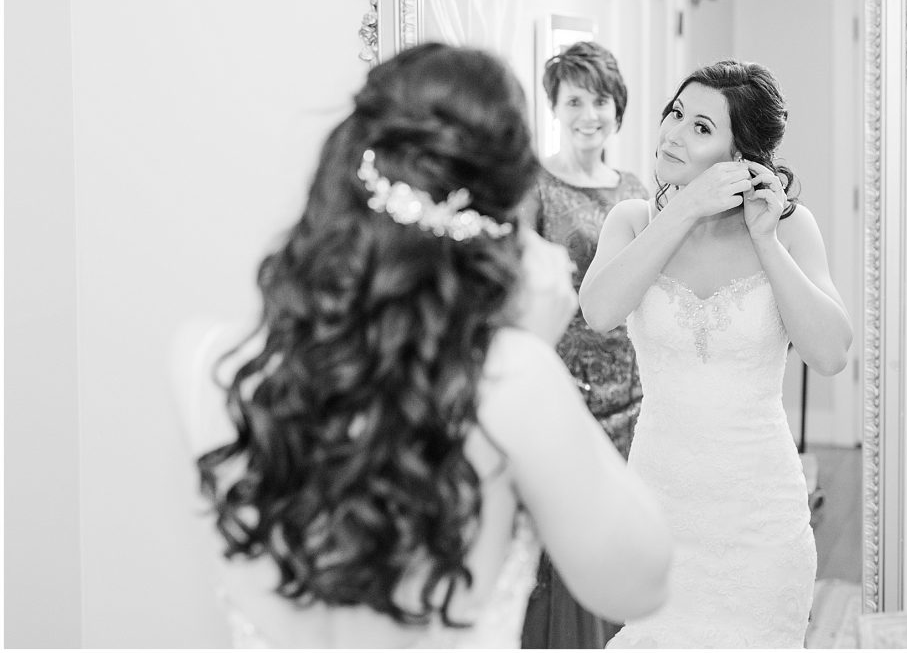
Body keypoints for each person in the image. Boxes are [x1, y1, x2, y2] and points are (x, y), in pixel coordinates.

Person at [175, 42, 672, 649]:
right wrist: (533, 352)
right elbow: (643, 584)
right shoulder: (513, 380)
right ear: (502, 228)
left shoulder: (205, 365)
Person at [580, 59, 853, 648]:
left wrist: (766, 241)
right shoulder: (632, 221)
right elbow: (599, 311)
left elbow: (830, 354)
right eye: (675, 114)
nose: (674, 133)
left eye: (702, 127)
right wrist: (682, 208)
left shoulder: (790, 227)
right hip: (658, 505)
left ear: (741, 156)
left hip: (760, 517)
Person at [518, 40, 647, 650]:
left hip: (636, 388)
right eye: (574, 100)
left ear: (616, 107)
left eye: (599, 99)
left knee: (624, 531)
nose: (588, 113)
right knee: (572, 537)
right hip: (566, 388)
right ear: (556, 108)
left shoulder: (635, 188)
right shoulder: (535, 187)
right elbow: (518, 289)